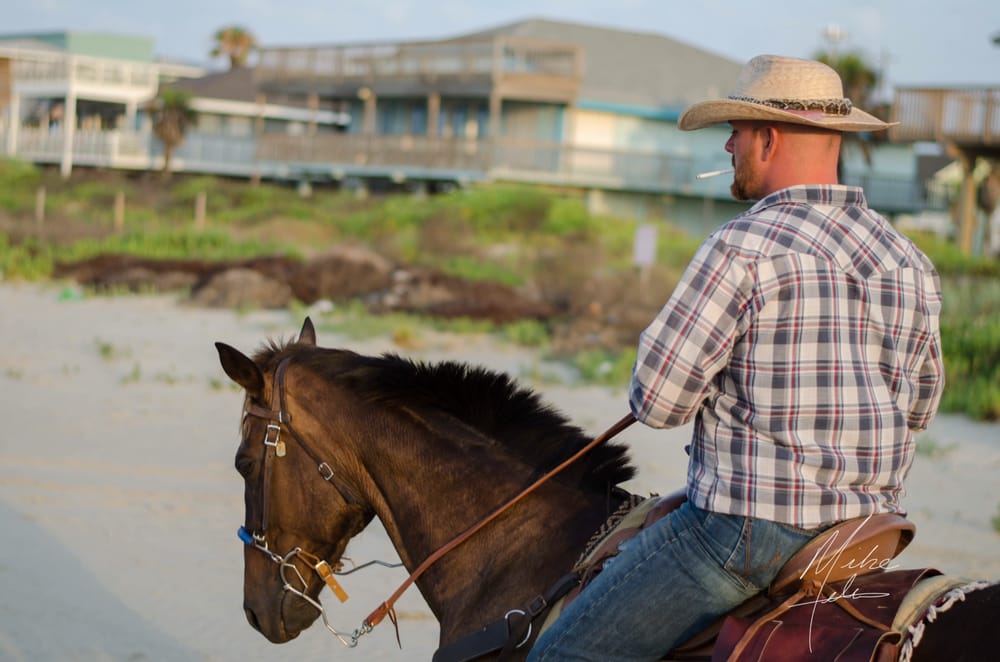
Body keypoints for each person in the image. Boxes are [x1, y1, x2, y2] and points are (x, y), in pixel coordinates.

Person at [528, 54, 945, 662]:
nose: (728, 145)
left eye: (738, 131)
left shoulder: (742, 245)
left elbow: (658, 403)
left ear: (769, 137)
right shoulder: (907, 258)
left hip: (748, 537)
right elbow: (921, 408)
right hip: (865, 533)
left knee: (557, 656)